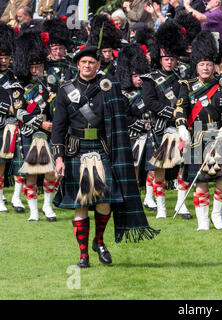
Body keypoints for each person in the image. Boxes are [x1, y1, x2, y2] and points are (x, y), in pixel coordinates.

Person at [51, 45, 159, 268]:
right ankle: (83, 255)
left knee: (104, 203)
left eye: (91, 62)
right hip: (75, 150)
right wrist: (59, 158)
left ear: (98, 65)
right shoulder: (65, 90)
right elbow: (59, 127)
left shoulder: (108, 87)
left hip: (102, 149)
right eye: (83, 62)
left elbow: (121, 116)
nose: (87, 66)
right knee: (80, 204)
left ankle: (99, 241)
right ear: (77, 65)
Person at [175, 30, 222, 230]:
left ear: (214, 65)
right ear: (196, 65)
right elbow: (180, 108)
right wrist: (182, 126)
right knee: (201, 182)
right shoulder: (187, 85)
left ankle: (217, 216)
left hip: (219, 137)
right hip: (197, 137)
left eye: (209, 64)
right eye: (202, 64)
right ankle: (202, 221)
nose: (206, 68)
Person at [141, 20, 191, 219]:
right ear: (160, 59)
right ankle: (161, 207)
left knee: (183, 167)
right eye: (166, 59)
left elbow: (185, 99)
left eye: (172, 59)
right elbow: (149, 102)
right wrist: (172, 113)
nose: (169, 62)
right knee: (159, 169)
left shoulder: (182, 78)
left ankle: (181, 204)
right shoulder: (149, 79)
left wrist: (180, 116)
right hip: (160, 129)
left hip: (180, 129)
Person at [12, 28, 58, 222]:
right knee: (30, 172)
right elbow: (19, 112)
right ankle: (33, 211)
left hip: (50, 132)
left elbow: (58, 107)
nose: (35, 69)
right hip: (30, 131)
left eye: (38, 65)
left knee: (51, 172)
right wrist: (41, 123)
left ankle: (47, 205)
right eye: (32, 65)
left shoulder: (52, 82)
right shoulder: (18, 86)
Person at [0, 22, 25, 213]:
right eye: (1, 57)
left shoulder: (14, 76)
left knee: (18, 161)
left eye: (6, 57)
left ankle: (17, 197)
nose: (3, 60)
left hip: (14, 125)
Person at [117, 43, 150, 186]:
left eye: (141, 75)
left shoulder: (147, 90)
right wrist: (141, 125)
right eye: (135, 76)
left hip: (149, 133)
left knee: (152, 167)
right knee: (134, 166)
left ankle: (149, 196)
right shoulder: (123, 94)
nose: (139, 79)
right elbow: (124, 117)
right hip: (132, 135)